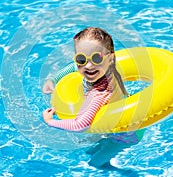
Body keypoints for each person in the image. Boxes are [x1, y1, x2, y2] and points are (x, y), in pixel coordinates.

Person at [42, 27, 144, 168]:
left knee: (95, 163)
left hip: (125, 135)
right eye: (81, 59)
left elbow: (80, 125)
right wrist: (53, 80)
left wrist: (50, 121)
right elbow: (72, 67)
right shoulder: (110, 67)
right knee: (91, 150)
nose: (89, 65)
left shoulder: (100, 92)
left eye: (96, 58)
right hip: (114, 122)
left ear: (110, 58)